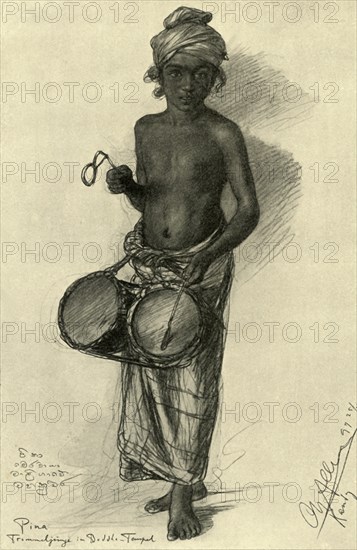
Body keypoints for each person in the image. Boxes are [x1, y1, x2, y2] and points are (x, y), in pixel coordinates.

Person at [106, 6, 259, 541]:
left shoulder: (223, 133)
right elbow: (155, 201)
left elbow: (247, 211)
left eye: (200, 73)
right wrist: (129, 188)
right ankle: (177, 480)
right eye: (177, 72)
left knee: (191, 381)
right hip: (152, 266)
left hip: (202, 268)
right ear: (158, 75)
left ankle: (182, 497)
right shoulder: (145, 128)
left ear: (215, 77)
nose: (188, 84)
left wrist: (206, 256)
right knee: (150, 375)